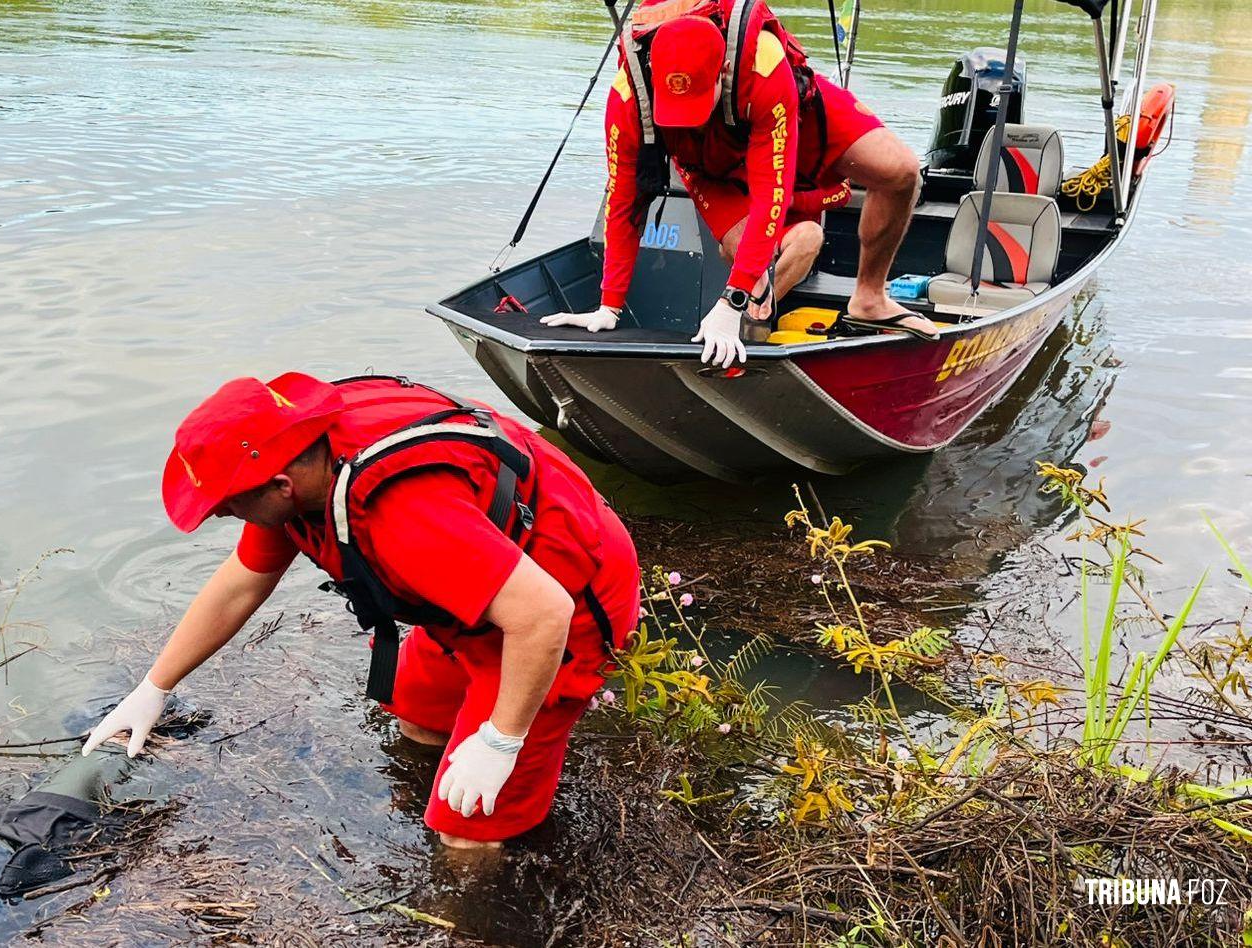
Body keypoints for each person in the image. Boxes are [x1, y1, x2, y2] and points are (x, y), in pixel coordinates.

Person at [81, 373, 641, 849]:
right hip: (475, 591)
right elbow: (240, 586)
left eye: (228, 505)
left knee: (467, 831)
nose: (223, 516)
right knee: (417, 711)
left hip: (563, 608)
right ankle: (447, 782)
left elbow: (544, 615)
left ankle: (482, 849)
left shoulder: (403, 515)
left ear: (279, 485)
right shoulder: (301, 465)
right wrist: (154, 687)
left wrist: (500, 744)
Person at [541, 0, 940, 364]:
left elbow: (772, 192)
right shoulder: (629, 94)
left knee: (901, 171)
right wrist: (608, 307)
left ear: (725, 72)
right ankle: (749, 321)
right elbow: (625, 198)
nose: (688, 115)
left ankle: (869, 299)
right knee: (746, 251)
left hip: (794, 113)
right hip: (703, 160)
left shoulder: (762, 68)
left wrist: (731, 300)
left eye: (695, 102)